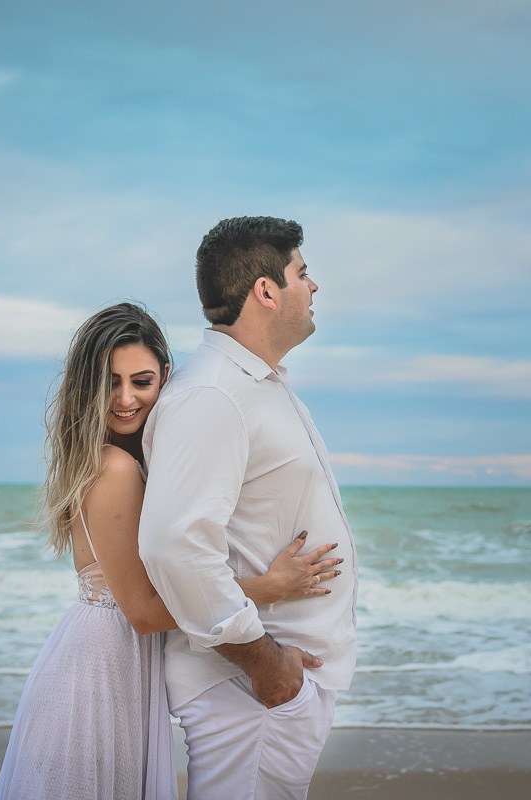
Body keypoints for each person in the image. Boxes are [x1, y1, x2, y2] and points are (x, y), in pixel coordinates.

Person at [0, 302, 341, 800]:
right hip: (99, 672)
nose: (125, 398)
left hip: (117, 665)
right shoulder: (114, 468)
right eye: (110, 383)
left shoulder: (122, 460)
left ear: (165, 376)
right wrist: (271, 587)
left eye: (141, 381)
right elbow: (144, 612)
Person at [139, 217, 358, 799]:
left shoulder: (255, 385)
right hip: (250, 688)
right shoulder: (213, 394)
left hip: (271, 683)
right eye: (301, 273)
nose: (314, 286)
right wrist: (266, 663)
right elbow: (175, 546)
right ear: (266, 291)